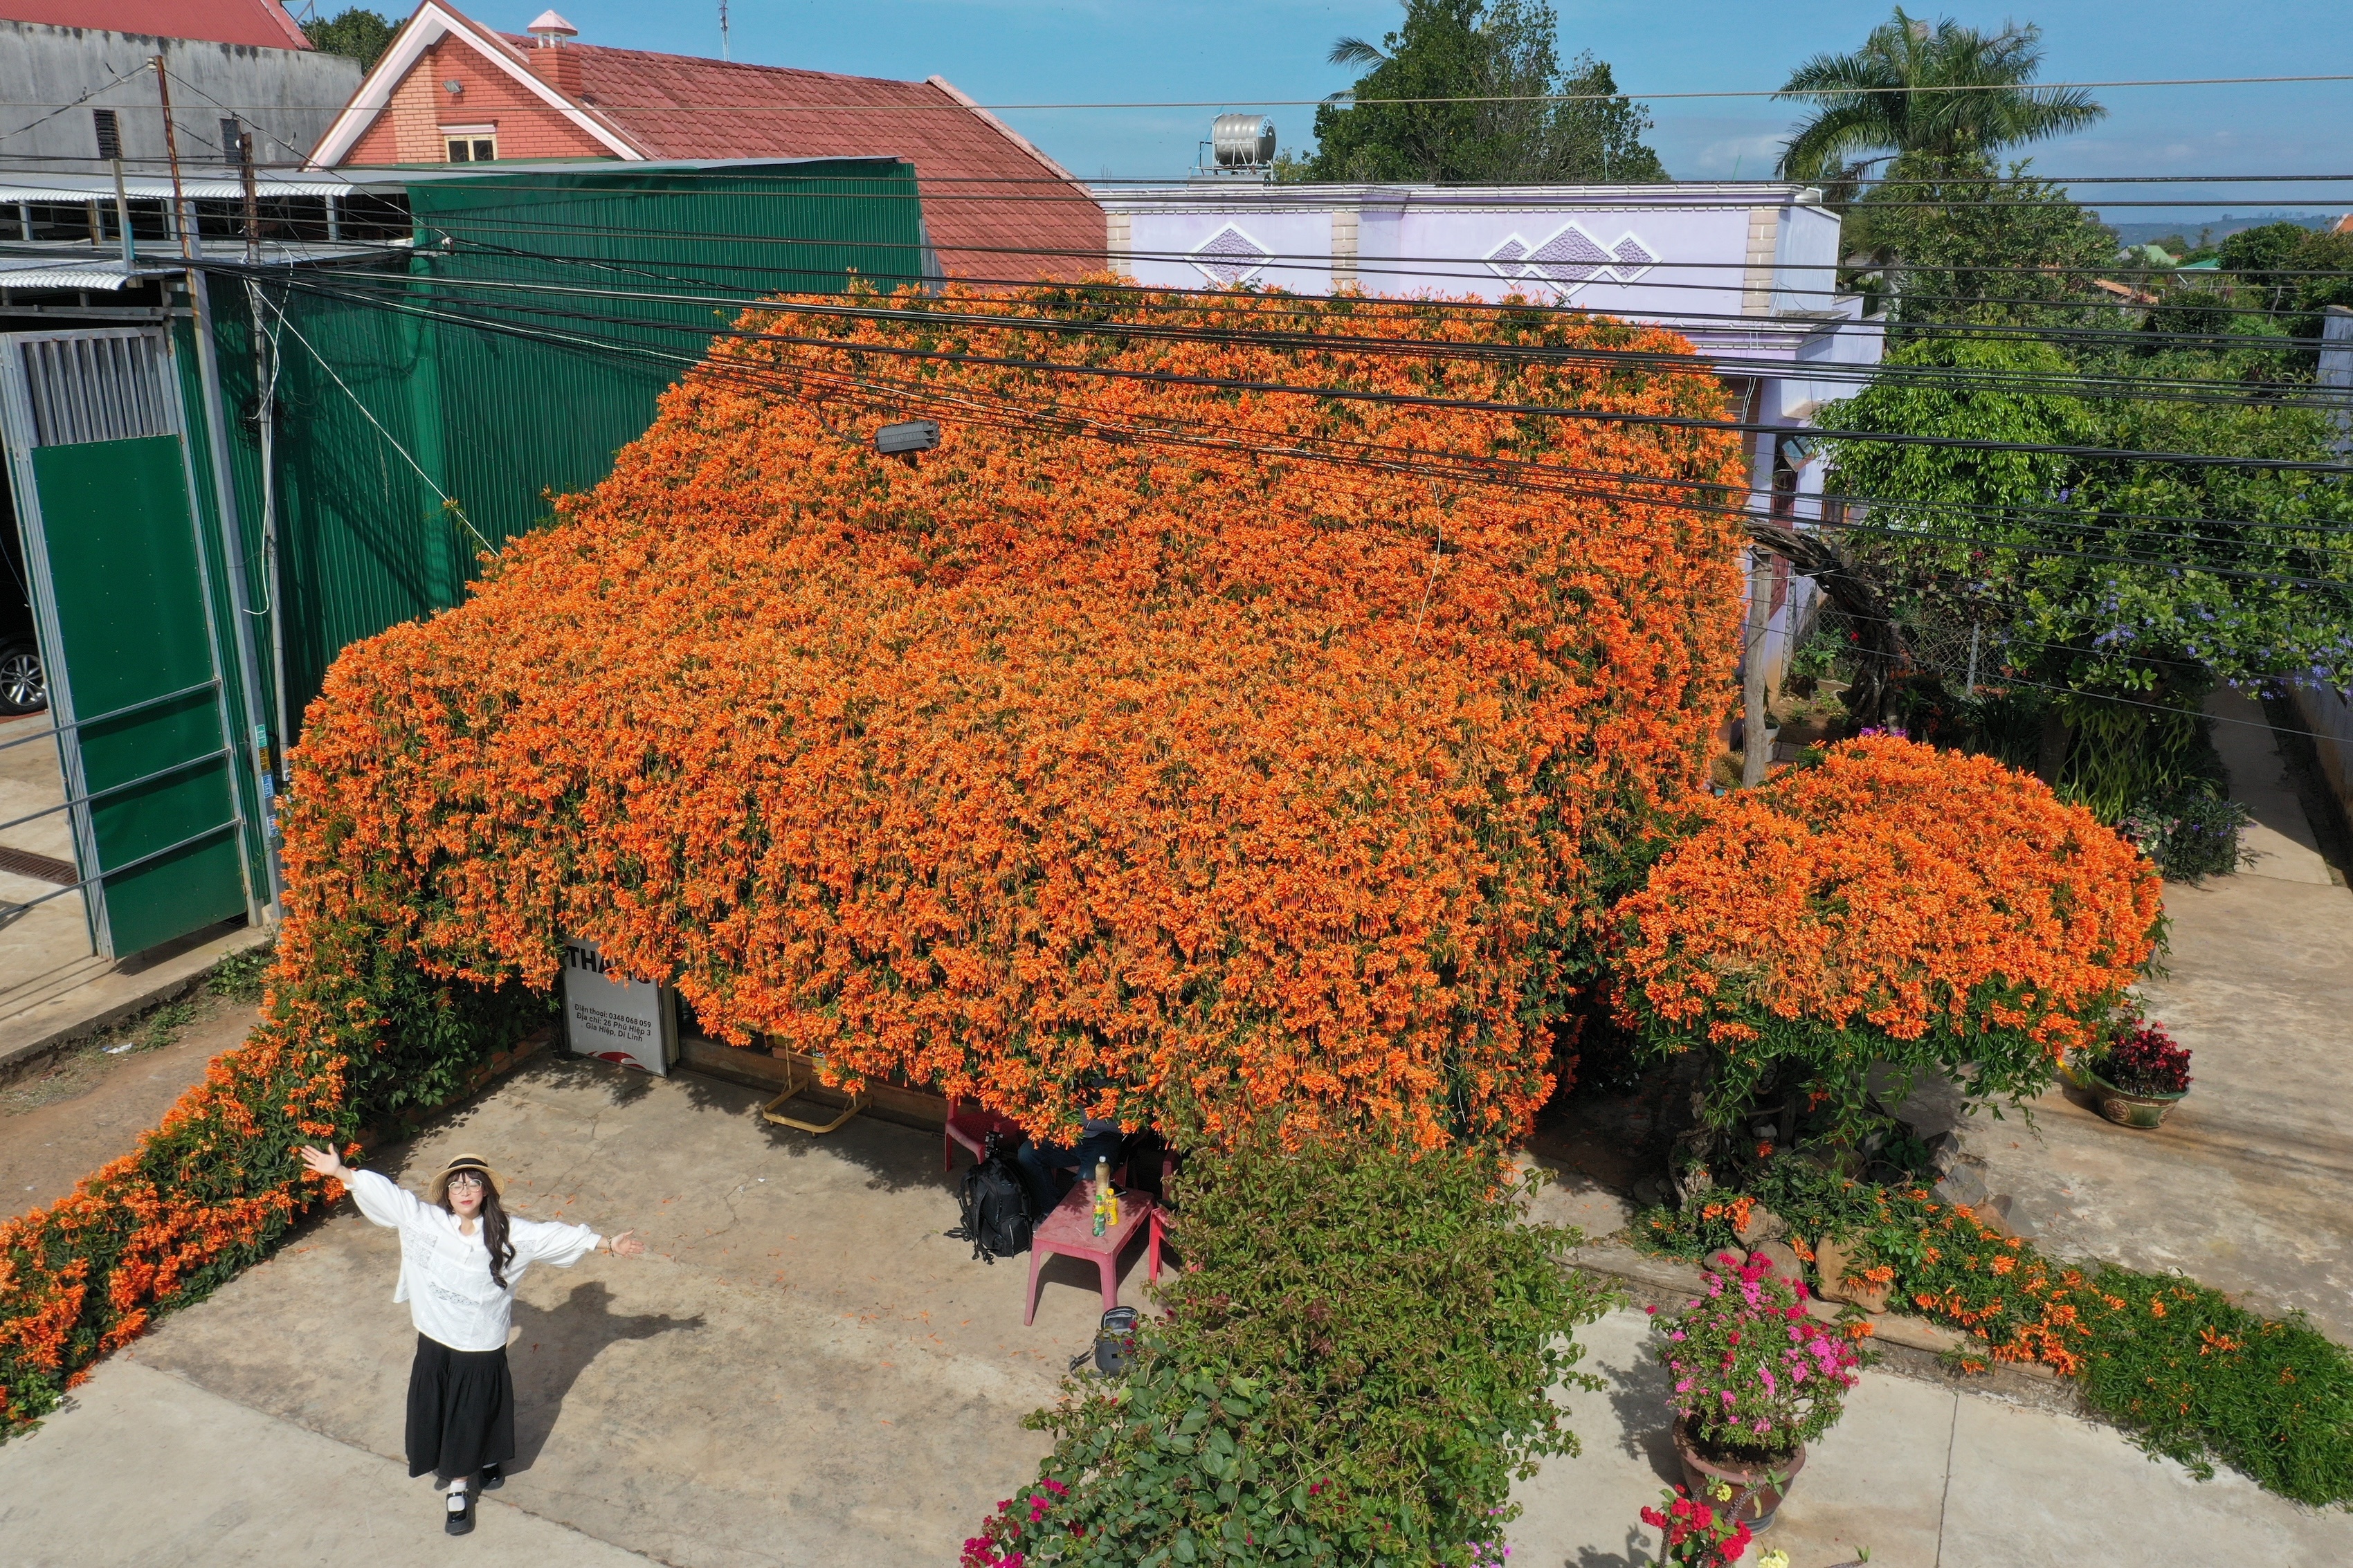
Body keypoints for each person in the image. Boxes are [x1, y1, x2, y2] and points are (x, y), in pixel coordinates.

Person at [297, 1145, 646, 1536]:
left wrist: (607, 1245)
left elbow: (556, 1237)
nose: (465, 1191)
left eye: (474, 1184)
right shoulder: (424, 1221)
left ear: (486, 1192)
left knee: (472, 1412)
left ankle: (459, 1490)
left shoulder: (512, 1235)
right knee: (450, 1407)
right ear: (447, 1193)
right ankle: (487, 1457)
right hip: (435, 1337)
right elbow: (388, 1195)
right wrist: (340, 1172)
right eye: (457, 1184)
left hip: (480, 1344)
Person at [1014, 1116, 1128, 1216]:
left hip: (1105, 1135)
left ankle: (1079, 1221)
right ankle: (1051, 1211)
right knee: (1027, 1154)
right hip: (1068, 1129)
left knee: (1088, 1175)